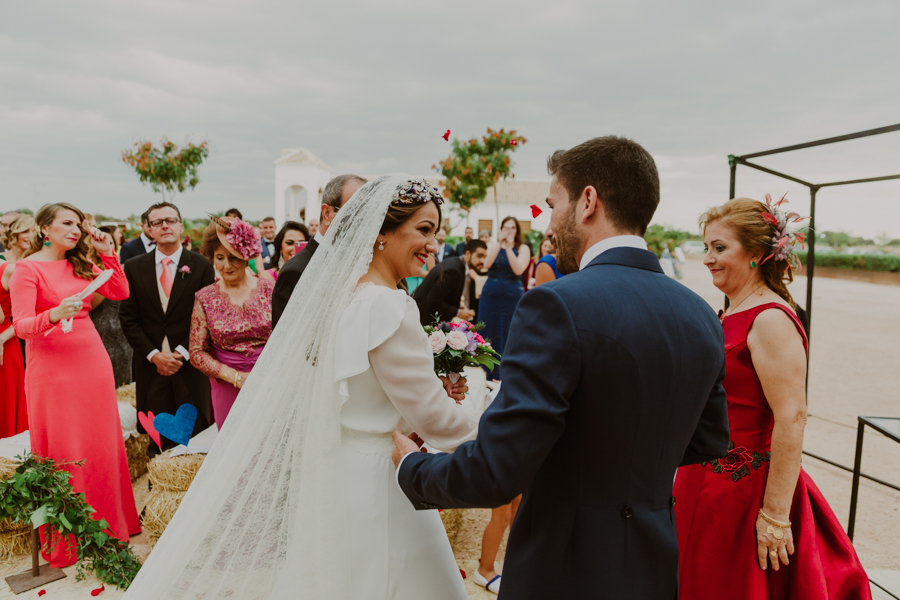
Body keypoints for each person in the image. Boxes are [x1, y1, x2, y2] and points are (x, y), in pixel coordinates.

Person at [392, 136, 731, 599]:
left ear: (587, 201)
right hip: (653, 566)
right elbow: (708, 440)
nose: (549, 223)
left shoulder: (556, 304)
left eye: (554, 204)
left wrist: (411, 468)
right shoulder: (702, 316)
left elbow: (495, 472)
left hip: (564, 566)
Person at [122, 175, 479, 600]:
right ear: (380, 233)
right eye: (423, 230)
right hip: (381, 478)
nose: (434, 244)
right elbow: (437, 420)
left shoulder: (346, 297)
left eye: (436, 233)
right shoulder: (388, 305)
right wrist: (492, 423)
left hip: (340, 469)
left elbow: (364, 385)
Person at [674, 196, 872, 600]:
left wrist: (776, 514)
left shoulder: (770, 319)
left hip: (746, 490)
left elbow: (792, 416)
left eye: (720, 247)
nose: (707, 258)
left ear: (758, 255)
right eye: (706, 246)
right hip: (704, 478)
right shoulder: (731, 311)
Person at [9, 202, 141, 567]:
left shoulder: (80, 263)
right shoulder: (27, 269)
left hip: (91, 361)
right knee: (64, 448)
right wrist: (53, 313)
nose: (77, 230)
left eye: (79, 224)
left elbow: (120, 291)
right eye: (68, 223)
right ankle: (70, 535)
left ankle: (112, 524)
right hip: (51, 369)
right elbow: (20, 326)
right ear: (43, 229)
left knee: (100, 440)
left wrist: (107, 253)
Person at [119, 202, 216, 456]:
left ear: (181, 226)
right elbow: (128, 319)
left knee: (196, 437)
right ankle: (157, 489)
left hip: (190, 365)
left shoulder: (202, 266)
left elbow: (206, 317)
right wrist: (154, 355)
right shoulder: (134, 266)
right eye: (157, 222)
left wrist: (183, 352)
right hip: (152, 369)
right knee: (157, 438)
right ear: (149, 229)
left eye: (171, 220)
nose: (165, 225)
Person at [190, 217, 273, 429]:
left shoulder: (269, 289)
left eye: (233, 257)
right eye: (219, 257)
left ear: (246, 256)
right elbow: (197, 353)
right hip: (227, 387)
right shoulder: (204, 297)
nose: (226, 265)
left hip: (271, 381)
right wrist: (235, 377)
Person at [271, 174, 366, 328]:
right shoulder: (296, 272)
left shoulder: (361, 263)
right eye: (354, 211)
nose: (361, 221)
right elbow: (285, 345)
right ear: (327, 213)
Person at [478, 216, 531, 380]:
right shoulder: (493, 245)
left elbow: (518, 270)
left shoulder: (523, 248)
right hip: (490, 295)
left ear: (517, 231)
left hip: (511, 297)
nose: (509, 231)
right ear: (501, 229)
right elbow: (486, 265)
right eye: (505, 227)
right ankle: (484, 371)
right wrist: (499, 244)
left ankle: (505, 373)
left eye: (512, 228)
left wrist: (508, 248)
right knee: (488, 330)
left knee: (509, 331)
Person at [89, 226, 134, 387]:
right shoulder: (90, 273)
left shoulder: (121, 272)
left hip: (121, 337)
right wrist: (103, 278)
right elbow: (90, 305)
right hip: (98, 334)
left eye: (110, 242)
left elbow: (125, 295)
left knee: (122, 389)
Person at [0, 215, 32, 437]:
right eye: (26, 231)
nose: (31, 237)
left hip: (13, 337)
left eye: (35, 232)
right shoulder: (6, 266)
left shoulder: (33, 263)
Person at [412, 239, 486, 325]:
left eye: (484, 257)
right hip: (423, 320)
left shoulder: (457, 264)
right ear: (467, 253)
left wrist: (458, 307)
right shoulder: (454, 270)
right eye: (479, 256)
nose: (482, 261)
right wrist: (458, 312)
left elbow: (443, 296)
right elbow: (433, 301)